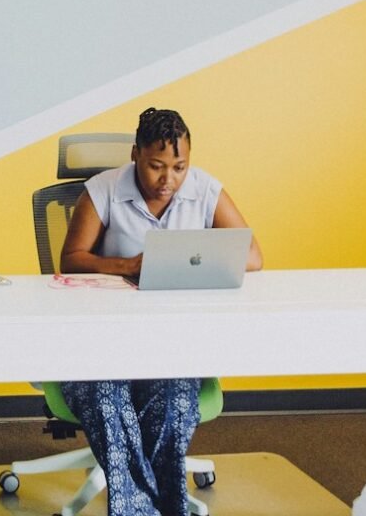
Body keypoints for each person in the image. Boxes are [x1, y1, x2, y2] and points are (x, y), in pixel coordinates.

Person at [58, 107, 263, 516]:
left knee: (171, 401)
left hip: (171, 342)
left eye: (179, 167)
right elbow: (71, 258)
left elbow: (253, 257)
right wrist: (128, 265)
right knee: (106, 398)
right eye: (155, 166)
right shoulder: (104, 190)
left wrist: (197, 259)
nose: (167, 179)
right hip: (102, 341)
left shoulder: (204, 190)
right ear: (135, 154)